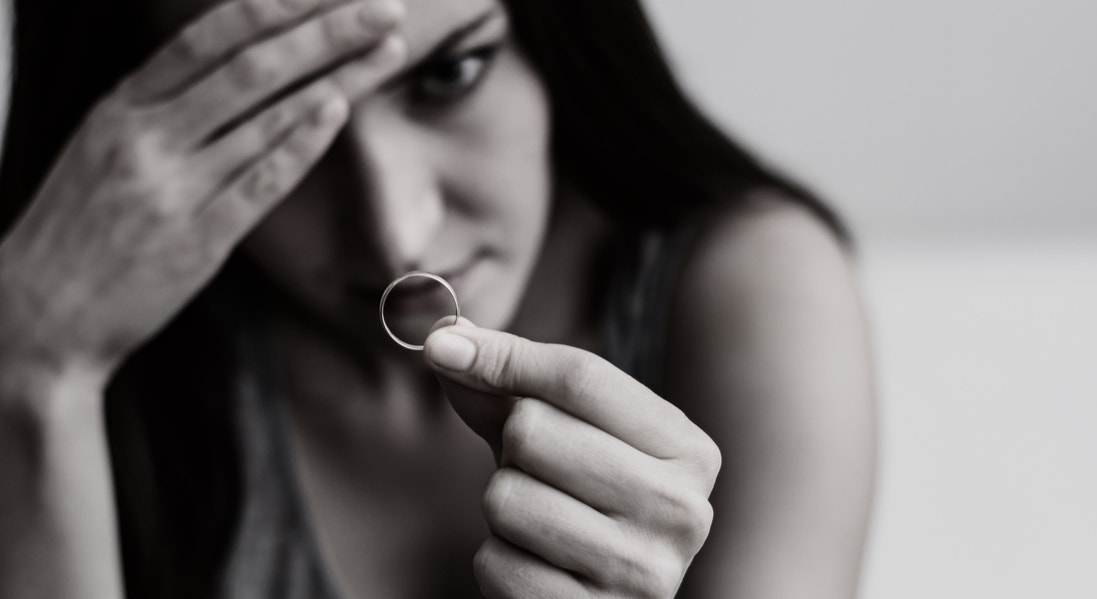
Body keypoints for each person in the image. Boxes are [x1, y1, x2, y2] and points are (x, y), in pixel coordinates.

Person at [0, 0, 876, 597]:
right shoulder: (97, 344)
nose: (397, 236)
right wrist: (38, 378)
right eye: (272, 128)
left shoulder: (750, 295)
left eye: (450, 76)